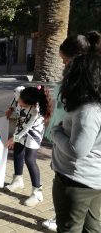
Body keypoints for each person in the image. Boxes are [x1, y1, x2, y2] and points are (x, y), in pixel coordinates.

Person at [41, 34, 92, 232]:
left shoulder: (77, 93)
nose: (63, 66)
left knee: (69, 223)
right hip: (87, 173)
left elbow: (75, 147)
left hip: (75, 173)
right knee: (91, 224)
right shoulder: (84, 90)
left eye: (65, 61)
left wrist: (52, 128)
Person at [50, 53, 101, 232]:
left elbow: (76, 150)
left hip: (76, 181)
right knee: (92, 228)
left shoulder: (87, 111)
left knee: (69, 228)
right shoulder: (92, 106)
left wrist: (55, 131)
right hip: (91, 180)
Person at [5, 86, 52, 207]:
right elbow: (15, 99)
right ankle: (17, 180)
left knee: (30, 159)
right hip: (20, 129)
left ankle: (37, 192)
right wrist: (11, 109)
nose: (19, 102)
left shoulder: (35, 111)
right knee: (17, 152)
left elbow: (26, 128)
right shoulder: (20, 92)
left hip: (33, 133)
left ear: (31, 104)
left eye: (23, 104)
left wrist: (13, 139)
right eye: (20, 100)